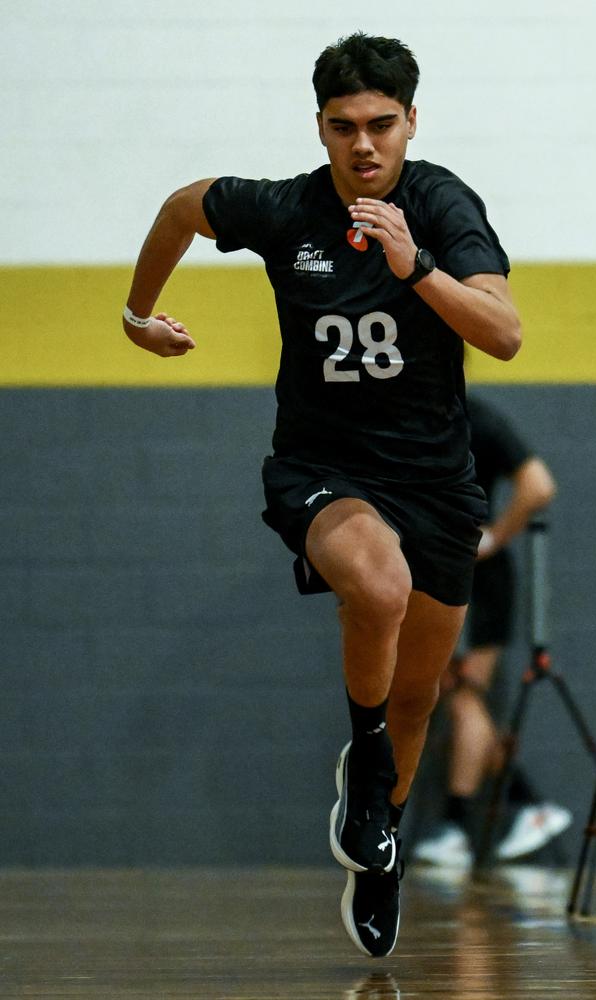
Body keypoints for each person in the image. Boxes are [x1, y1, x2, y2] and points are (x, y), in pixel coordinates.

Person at [121, 32, 521, 957]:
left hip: (436, 480)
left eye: (382, 125)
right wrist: (138, 314)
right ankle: (366, 756)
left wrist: (416, 267)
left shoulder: (439, 203)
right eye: (344, 128)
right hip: (322, 469)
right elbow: (185, 206)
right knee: (375, 585)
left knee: (421, 693)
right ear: (321, 129)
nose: (364, 146)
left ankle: (380, 846)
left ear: (411, 122)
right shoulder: (285, 208)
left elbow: (503, 334)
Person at [413, 394, 572, 867]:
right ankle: (526, 805)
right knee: (454, 692)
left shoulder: (470, 417)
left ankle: (462, 826)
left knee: (464, 693)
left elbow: (539, 485)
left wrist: (496, 536)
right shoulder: (421, 414)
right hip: (439, 566)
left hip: (473, 574)